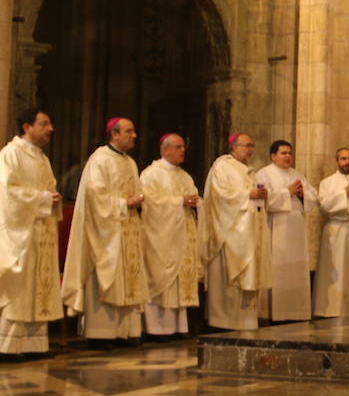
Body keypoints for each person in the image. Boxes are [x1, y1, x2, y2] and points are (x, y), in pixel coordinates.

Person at [61, 117, 148, 346]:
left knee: (127, 277)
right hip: (105, 232)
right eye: (129, 131)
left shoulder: (130, 162)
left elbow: (135, 191)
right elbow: (94, 197)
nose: (134, 135)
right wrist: (123, 204)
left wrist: (138, 201)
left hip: (127, 229)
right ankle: (101, 333)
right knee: (107, 277)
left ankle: (124, 332)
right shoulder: (100, 159)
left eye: (134, 131)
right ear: (115, 134)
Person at [0, 110, 62, 357]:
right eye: (44, 124)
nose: (50, 129)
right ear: (27, 126)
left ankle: (34, 345)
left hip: (40, 232)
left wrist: (51, 199)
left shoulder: (41, 159)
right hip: (20, 233)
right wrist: (44, 199)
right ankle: (7, 347)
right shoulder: (10, 154)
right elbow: (7, 194)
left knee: (39, 287)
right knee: (20, 288)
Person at [202, 134, 272, 330]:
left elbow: (252, 198)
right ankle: (223, 322)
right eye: (247, 146)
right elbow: (220, 196)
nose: (250, 150)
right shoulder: (222, 166)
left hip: (248, 232)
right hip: (230, 233)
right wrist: (248, 194)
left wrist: (261, 198)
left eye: (252, 146)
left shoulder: (248, 171)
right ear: (233, 146)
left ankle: (245, 321)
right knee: (229, 282)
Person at [140, 133, 202, 338]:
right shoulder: (151, 174)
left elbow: (194, 199)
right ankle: (157, 328)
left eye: (183, 146)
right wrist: (179, 202)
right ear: (165, 150)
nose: (183, 150)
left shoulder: (185, 176)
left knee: (179, 282)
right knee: (161, 279)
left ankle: (178, 326)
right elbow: (150, 202)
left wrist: (195, 203)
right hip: (161, 237)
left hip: (182, 235)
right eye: (178, 147)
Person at [256, 140, 318, 322]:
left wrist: (301, 194)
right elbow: (264, 199)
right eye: (283, 153)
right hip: (276, 227)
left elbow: (312, 195)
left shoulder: (297, 174)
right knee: (278, 270)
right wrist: (287, 192)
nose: (288, 156)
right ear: (273, 156)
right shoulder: (263, 174)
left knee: (296, 268)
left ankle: (296, 312)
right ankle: (275, 314)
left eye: (290, 153)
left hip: (296, 228)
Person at [314, 147, 349, 319]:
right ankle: (331, 309)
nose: (347, 162)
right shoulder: (326, 183)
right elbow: (324, 206)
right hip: (335, 231)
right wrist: (344, 196)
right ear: (337, 161)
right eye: (343, 158)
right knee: (335, 269)